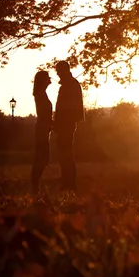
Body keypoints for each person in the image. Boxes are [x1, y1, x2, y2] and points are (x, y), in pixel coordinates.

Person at [53, 61, 84, 191]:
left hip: (66, 123)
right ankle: (67, 181)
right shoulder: (70, 84)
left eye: (59, 71)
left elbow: (65, 107)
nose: (58, 74)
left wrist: (59, 122)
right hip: (66, 123)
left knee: (66, 153)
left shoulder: (69, 85)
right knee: (65, 153)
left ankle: (69, 183)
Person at [30, 70, 53, 194]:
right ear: (43, 80)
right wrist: (51, 123)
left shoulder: (41, 93)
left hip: (44, 128)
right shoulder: (41, 94)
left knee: (43, 157)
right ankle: (35, 183)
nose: (50, 79)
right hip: (42, 129)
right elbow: (44, 114)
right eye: (48, 77)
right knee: (42, 157)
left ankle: (35, 183)